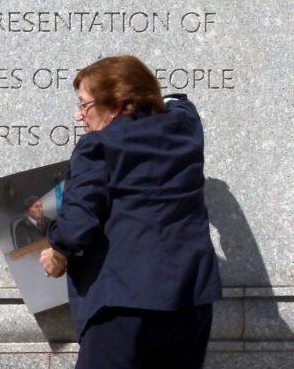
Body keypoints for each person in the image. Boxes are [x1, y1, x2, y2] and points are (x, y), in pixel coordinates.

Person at [39, 55, 221, 369]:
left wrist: (57, 250)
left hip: (122, 303)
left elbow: (77, 227)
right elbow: (176, 100)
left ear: (117, 104)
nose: (78, 115)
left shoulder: (97, 147)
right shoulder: (186, 125)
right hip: (190, 297)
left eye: (84, 105)